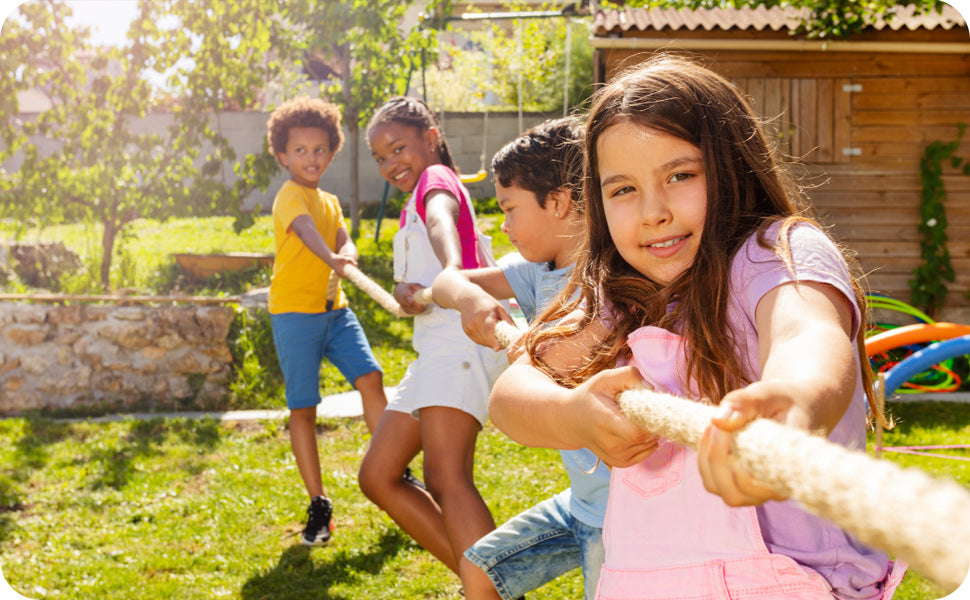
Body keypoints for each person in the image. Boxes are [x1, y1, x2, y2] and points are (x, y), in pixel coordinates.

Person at [488, 55, 906, 599]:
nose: (652, 212)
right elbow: (511, 396)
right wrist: (573, 414)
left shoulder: (775, 254)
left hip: (795, 584)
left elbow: (807, 334)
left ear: (734, 169)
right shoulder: (620, 296)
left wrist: (794, 403)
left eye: (680, 176)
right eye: (622, 190)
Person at [431, 116, 613, 600]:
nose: (504, 226)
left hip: (618, 514)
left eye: (509, 210)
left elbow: (560, 367)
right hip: (582, 501)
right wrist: (471, 300)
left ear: (558, 202)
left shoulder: (612, 282)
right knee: (481, 570)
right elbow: (447, 282)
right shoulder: (539, 270)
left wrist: (522, 341)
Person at [358, 96, 507, 575]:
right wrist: (411, 291)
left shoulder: (435, 180)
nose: (389, 164)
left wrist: (450, 270)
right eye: (380, 157)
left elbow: (443, 218)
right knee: (378, 476)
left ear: (431, 137)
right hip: (434, 348)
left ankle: (490, 590)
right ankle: (493, 586)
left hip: (459, 342)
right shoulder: (411, 202)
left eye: (398, 148)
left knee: (445, 478)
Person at [265, 97, 389, 547]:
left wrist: (349, 251)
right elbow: (307, 233)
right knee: (304, 406)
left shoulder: (330, 201)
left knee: (371, 377)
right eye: (300, 151)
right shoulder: (289, 197)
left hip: (335, 312)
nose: (310, 158)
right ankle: (318, 502)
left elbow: (340, 235)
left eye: (319, 149)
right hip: (294, 314)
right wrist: (334, 256)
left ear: (331, 152)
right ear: (283, 155)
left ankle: (392, 466)